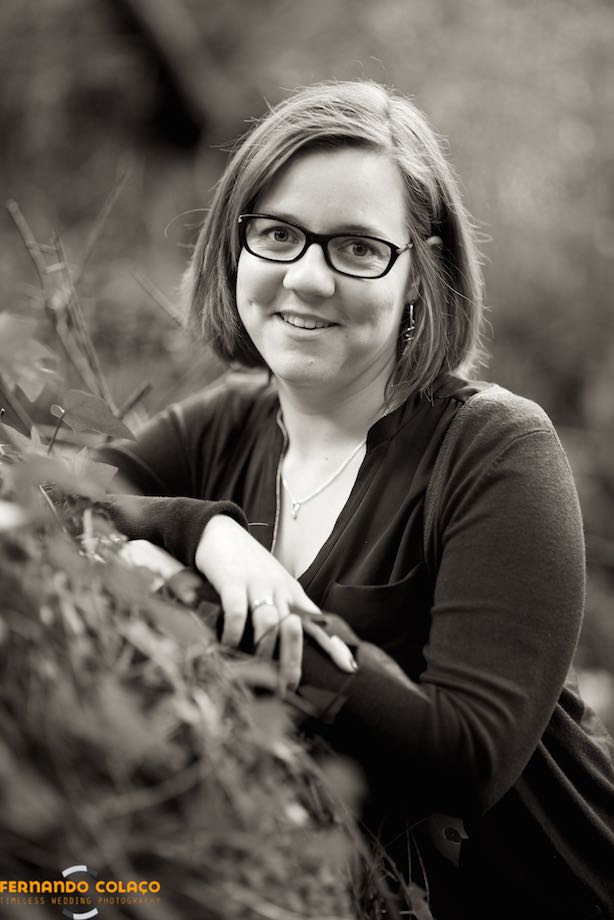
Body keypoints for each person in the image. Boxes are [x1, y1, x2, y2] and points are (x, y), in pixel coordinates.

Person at [99, 81, 614, 920]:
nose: (306, 277)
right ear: (238, 244)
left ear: (421, 274)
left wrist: (267, 624)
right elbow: (48, 497)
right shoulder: (222, 427)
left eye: (357, 249)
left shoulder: (496, 449)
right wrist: (206, 535)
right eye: (277, 234)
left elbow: (465, 757)